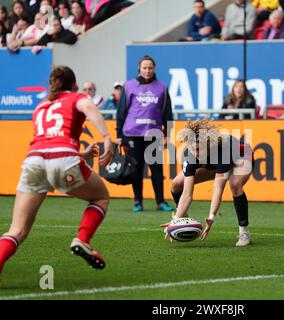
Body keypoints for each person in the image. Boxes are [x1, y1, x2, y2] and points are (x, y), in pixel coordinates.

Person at [0, 66, 114, 276]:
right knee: (100, 197)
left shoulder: (41, 106)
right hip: (62, 159)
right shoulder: (75, 97)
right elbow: (88, 106)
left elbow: (48, 144)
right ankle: (83, 239)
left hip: (33, 161)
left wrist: (80, 155)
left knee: (17, 230)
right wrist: (107, 138)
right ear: (73, 84)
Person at [163, 119, 254, 247]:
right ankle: (182, 214)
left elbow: (218, 190)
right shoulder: (190, 155)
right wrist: (177, 220)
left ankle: (244, 233)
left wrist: (211, 217)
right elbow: (187, 193)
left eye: (199, 149)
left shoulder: (222, 152)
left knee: (235, 184)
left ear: (208, 143)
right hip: (213, 163)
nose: (196, 153)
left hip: (242, 156)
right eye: (192, 149)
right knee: (177, 183)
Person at [116, 55, 174, 213]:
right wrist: (119, 134)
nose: (147, 70)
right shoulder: (128, 86)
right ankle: (138, 202)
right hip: (132, 134)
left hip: (154, 134)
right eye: (144, 68)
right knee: (136, 169)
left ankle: (161, 202)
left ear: (154, 69)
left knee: (156, 169)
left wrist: (167, 133)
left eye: (150, 68)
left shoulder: (162, 87)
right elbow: (121, 111)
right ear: (139, 69)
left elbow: (167, 112)